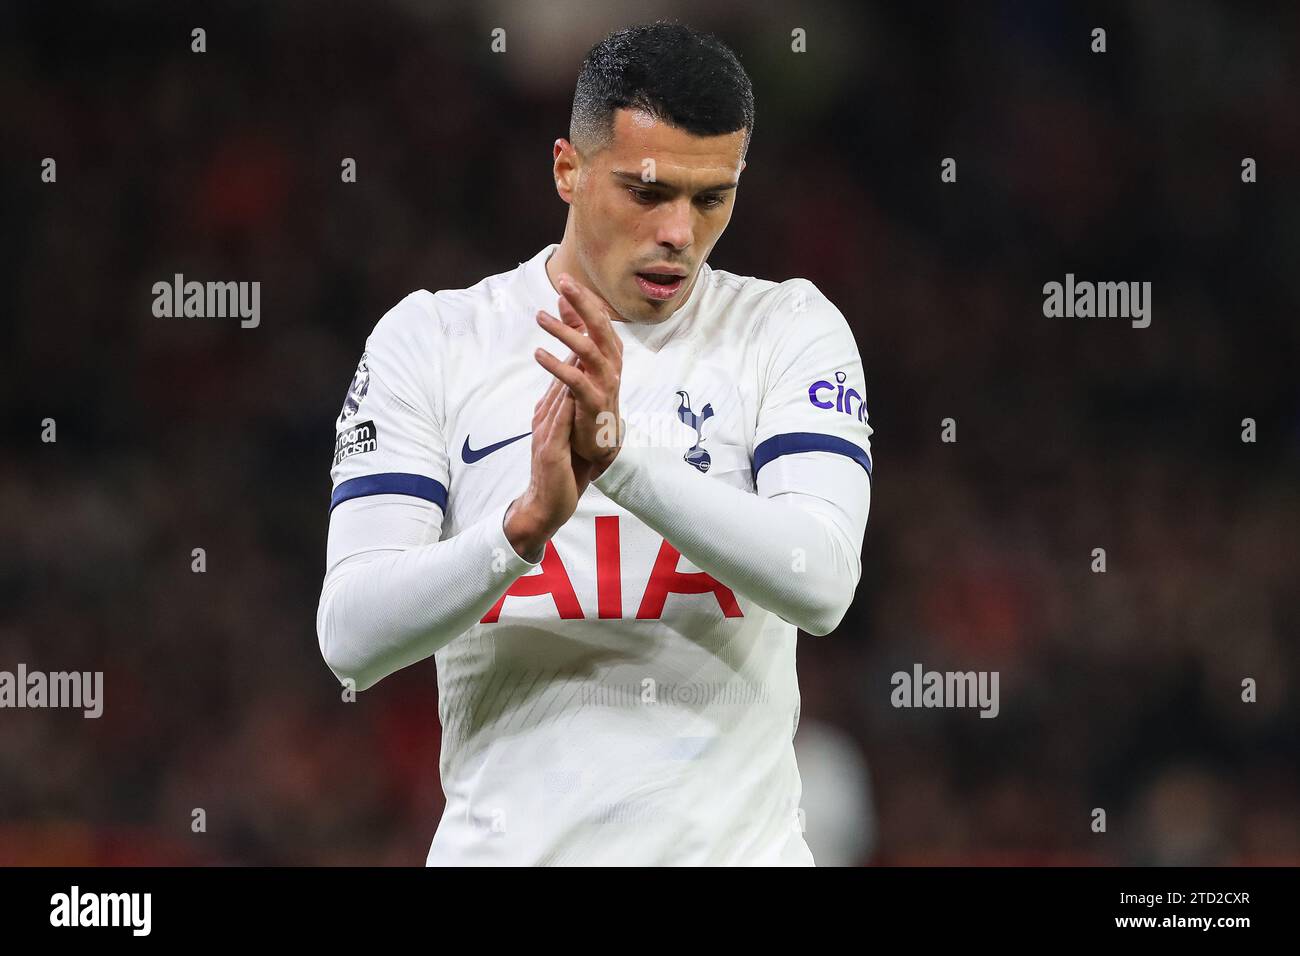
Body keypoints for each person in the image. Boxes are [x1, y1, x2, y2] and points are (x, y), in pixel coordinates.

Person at [317, 21, 873, 865]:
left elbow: (824, 581)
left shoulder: (786, 332)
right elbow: (351, 637)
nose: (679, 233)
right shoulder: (434, 341)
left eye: (711, 197)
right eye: (647, 193)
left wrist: (623, 463)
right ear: (567, 170)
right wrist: (520, 533)